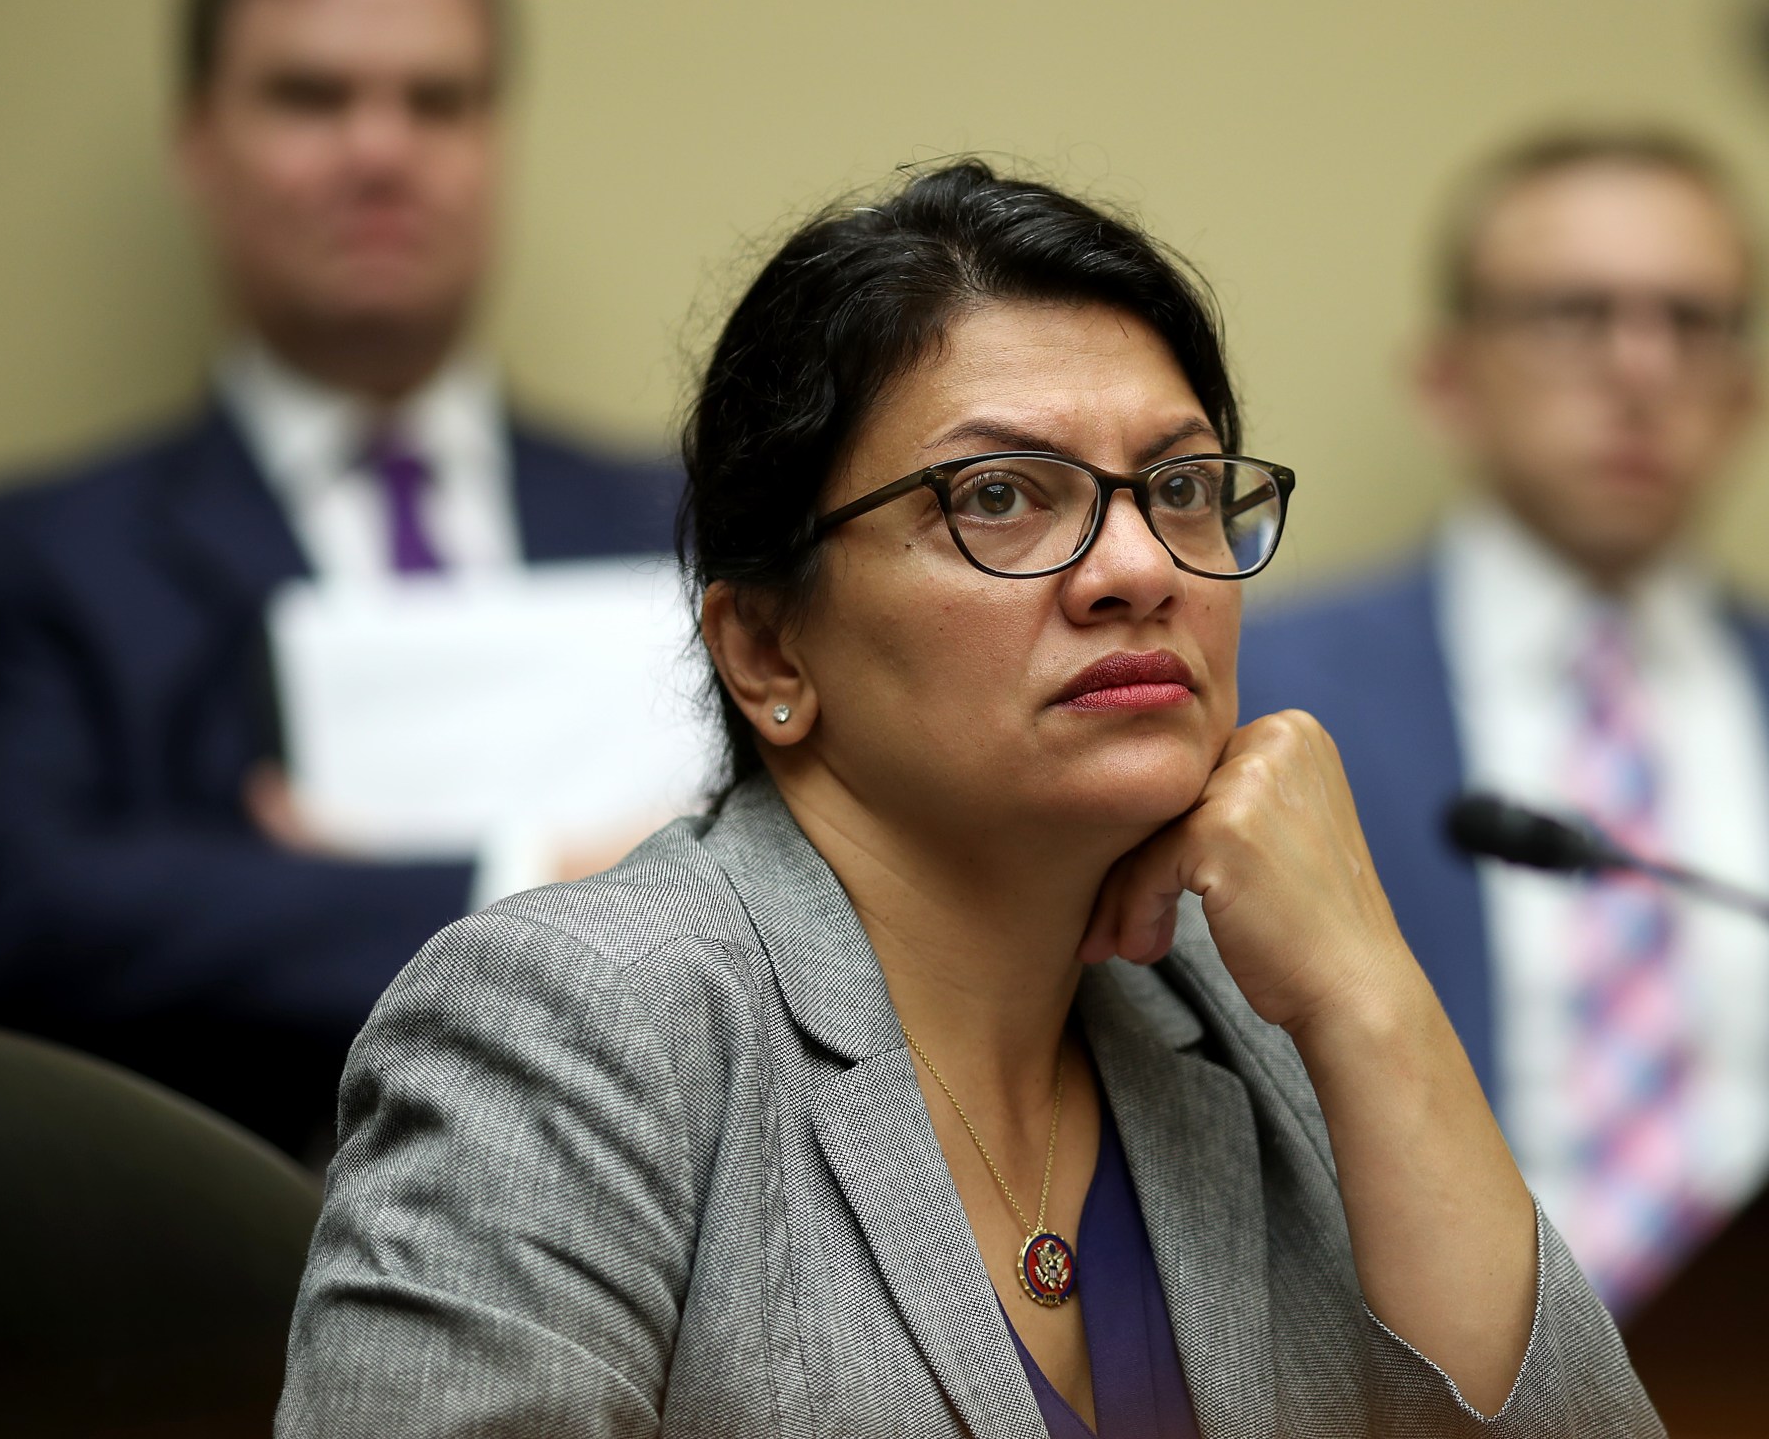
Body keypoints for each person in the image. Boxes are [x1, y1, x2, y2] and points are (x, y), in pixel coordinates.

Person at [276, 162, 1664, 1437]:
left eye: (1180, 488)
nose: (1138, 566)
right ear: (769, 648)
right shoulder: (578, 1026)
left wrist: (1374, 996)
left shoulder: (1254, 1010)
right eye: (999, 495)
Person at [0, 0, 678, 1157]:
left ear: (492, 141)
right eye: (312, 97)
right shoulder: (29, 564)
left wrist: (299, 900)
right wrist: (531, 880)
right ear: (198, 144)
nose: (381, 150)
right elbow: (3, 915)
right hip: (244, 1272)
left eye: (437, 101)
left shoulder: (690, 526)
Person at [1238, 128, 1769, 1316]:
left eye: (1693, 323)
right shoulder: (1266, 693)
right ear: (1445, 376)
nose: (1639, 369)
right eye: (1571, 314)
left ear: (1750, 391)